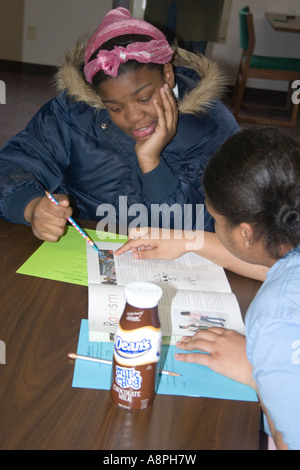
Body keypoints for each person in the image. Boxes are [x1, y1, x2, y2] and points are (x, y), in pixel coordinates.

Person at [118, 127, 300, 449]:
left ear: (246, 232)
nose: (212, 223)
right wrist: (189, 240)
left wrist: (255, 371)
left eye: (215, 218)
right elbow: (272, 262)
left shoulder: (277, 319)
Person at [0, 7, 239, 242]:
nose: (134, 117)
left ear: (167, 74)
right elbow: (13, 165)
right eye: (114, 107)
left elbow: (218, 229)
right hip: (84, 254)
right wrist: (30, 206)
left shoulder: (211, 126)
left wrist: (152, 163)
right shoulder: (72, 113)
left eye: (144, 98)